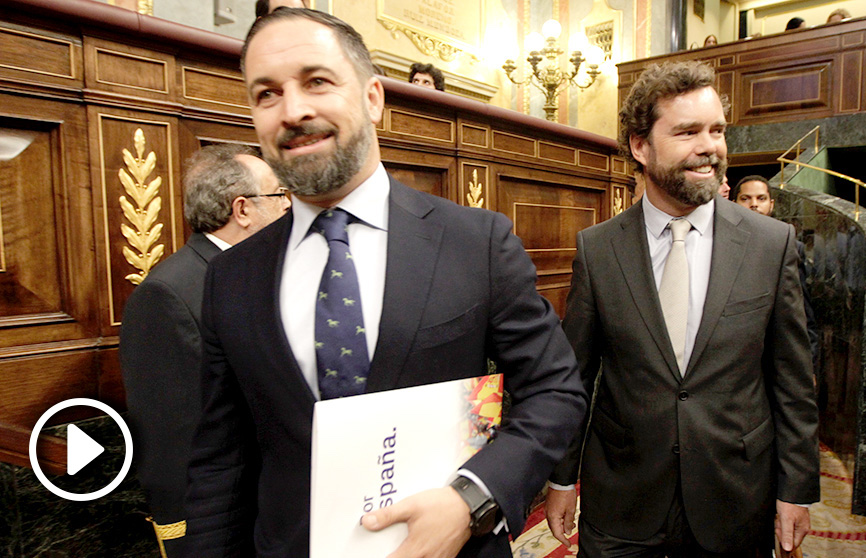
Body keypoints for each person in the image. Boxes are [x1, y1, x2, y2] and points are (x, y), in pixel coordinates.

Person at [182, 8, 585, 558]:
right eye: (266, 94)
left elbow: (555, 392)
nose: (293, 110)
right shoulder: (231, 276)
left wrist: (471, 500)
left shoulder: (475, 242)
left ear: (374, 97)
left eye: (317, 81)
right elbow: (219, 463)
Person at [545, 61, 819, 557]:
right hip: (623, 500)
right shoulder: (598, 249)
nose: (709, 147)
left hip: (735, 496)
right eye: (687, 131)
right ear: (640, 146)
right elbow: (575, 378)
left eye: (716, 130)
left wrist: (795, 488)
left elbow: (792, 381)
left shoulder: (771, 244)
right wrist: (562, 478)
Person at [120, 144, 289, 556]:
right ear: (243, 210)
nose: (289, 205)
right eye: (279, 194)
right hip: (224, 527)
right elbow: (172, 441)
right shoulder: (169, 294)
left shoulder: (260, 270)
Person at [732, 175, 819, 373]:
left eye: (761, 198)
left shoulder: (788, 247)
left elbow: (802, 314)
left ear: (771, 204)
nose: (753, 204)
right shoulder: (718, 245)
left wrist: (808, 368)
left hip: (773, 359)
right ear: (733, 203)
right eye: (745, 199)